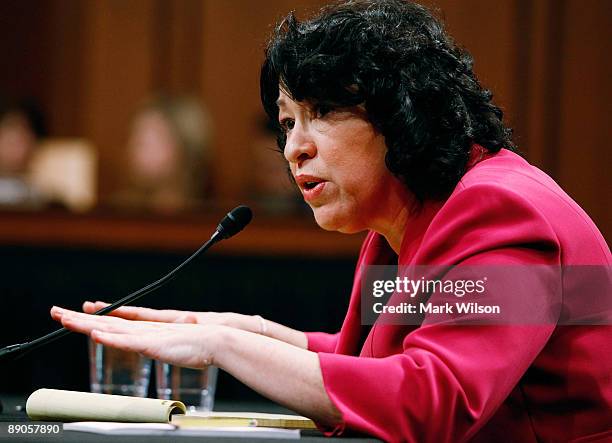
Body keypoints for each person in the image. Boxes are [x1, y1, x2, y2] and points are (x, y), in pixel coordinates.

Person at [50, 1, 611, 442]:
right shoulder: (398, 225)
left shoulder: (501, 212)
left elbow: (430, 402)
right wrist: (252, 331)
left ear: (401, 110)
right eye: (287, 122)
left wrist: (226, 347)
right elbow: (368, 368)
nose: (295, 148)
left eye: (321, 114)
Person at [110, 95, 212, 214]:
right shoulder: (120, 213)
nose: (131, 148)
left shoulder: (209, 222)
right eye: (134, 138)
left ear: (184, 149)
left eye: (143, 142)